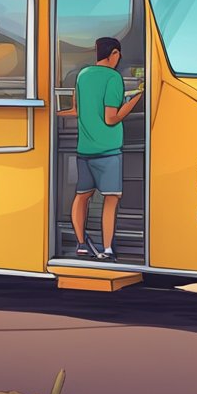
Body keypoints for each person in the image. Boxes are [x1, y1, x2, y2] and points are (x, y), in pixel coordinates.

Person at [55, 37, 143, 261]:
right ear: (113, 53)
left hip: (85, 149)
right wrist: (136, 99)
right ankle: (107, 249)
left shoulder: (83, 75)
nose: (119, 58)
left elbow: (75, 110)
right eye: (118, 55)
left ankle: (81, 244)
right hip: (108, 150)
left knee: (82, 196)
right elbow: (111, 118)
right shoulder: (113, 78)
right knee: (111, 199)